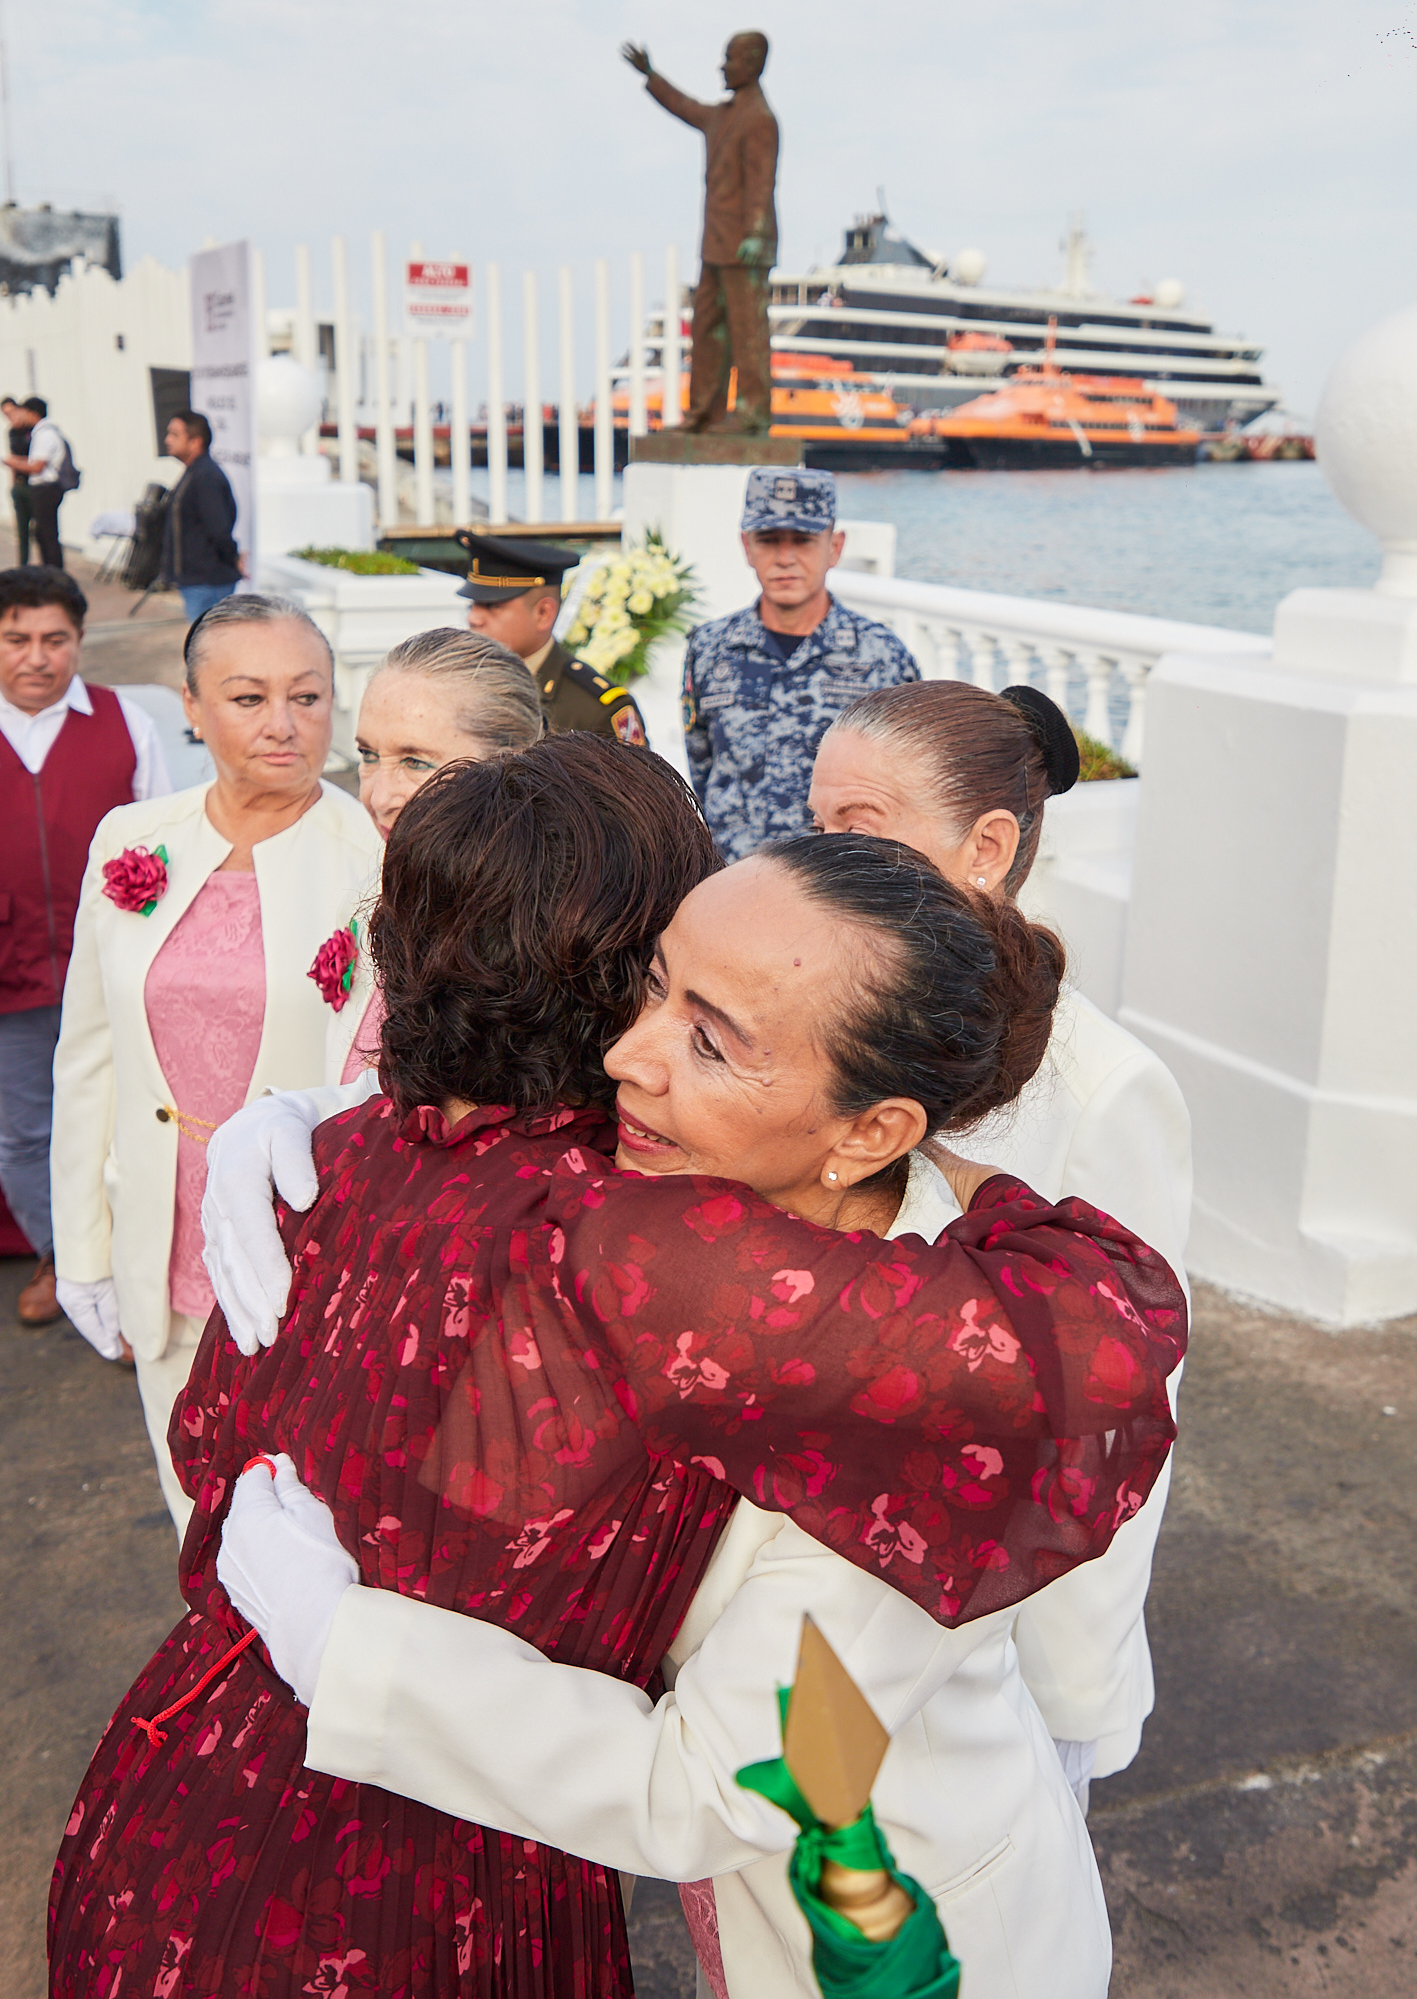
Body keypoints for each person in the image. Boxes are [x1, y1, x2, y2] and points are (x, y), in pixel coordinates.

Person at [53, 743, 1185, 1999]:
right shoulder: (664, 1202)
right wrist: (322, 1113)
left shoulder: (912, 1378)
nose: (625, 1057)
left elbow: (713, 1783)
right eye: (647, 988)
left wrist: (344, 1644)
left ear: (872, 1129)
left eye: (711, 1040)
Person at [808, 676, 1192, 1812]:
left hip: (987, 1650)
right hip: (811, 1605)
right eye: (814, 822)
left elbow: (1114, 1416)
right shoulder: (824, 1019)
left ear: (986, 846)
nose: (821, 857)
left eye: (859, 826)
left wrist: (1074, 1693)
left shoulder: (1102, 1087)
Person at [48, 593, 382, 1531]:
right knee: (191, 1501)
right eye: (247, 698)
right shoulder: (132, 838)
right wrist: (84, 1248)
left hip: (310, 1248)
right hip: (160, 1230)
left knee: (310, 1517)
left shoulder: (375, 856)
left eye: (306, 696)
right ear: (191, 706)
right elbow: (89, 1054)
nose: (283, 724)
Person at [0, 566, 171, 1328]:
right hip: (9, 972)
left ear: (79, 639)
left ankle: (127, 1270)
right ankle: (56, 1257)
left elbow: (165, 837)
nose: (37, 657)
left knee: (123, 1119)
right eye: (17, 639)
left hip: (106, 964)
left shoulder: (123, 721)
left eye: (55, 639)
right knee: (25, 1131)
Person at [332, 623, 544, 1082]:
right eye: (368, 756)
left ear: (511, 762)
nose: (378, 796)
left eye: (415, 762)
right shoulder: (370, 888)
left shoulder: (548, 942)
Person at [682, 466, 918, 860]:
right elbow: (702, 766)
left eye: (803, 540)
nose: (785, 558)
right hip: (733, 875)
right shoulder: (709, 648)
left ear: (835, 547)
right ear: (747, 547)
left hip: (836, 878)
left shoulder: (882, 656)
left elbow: (903, 781)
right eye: (768, 540)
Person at [622, 32, 778, 433]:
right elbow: (685, 107)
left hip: (745, 245)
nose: (721, 67)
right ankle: (704, 413)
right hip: (716, 243)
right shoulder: (722, 116)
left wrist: (756, 232)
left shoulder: (760, 120)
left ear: (752, 64)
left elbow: (762, 182)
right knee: (706, 329)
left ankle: (752, 414)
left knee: (747, 332)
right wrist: (651, 75)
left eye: (729, 59)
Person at [459, 532, 648, 744]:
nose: (473, 618)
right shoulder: (457, 684)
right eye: (472, 605)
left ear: (543, 613)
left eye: (492, 606)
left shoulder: (595, 710)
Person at [159, 410, 241, 620]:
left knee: (207, 637)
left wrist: (233, 558)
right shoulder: (195, 472)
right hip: (197, 581)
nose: (167, 440)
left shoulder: (206, 477)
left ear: (195, 442)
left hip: (207, 582)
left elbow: (219, 528)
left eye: (175, 434)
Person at [5, 396, 76, 568]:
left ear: (33, 413)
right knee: (42, 533)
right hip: (43, 489)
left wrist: (12, 462)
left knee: (47, 534)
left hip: (46, 489)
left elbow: (37, 466)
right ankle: (49, 568)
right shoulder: (41, 433)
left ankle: (54, 571)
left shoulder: (45, 435)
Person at [3, 394, 34, 562]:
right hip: (20, 484)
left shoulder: (33, 430)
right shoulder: (12, 432)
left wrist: (16, 462)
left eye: (12, 413)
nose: (10, 417)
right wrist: (13, 486)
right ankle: (23, 567)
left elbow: (37, 461)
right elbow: (12, 461)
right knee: (22, 532)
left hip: (35, 485)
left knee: (41, 531)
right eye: (6, 415)